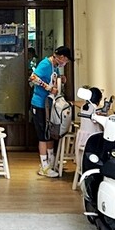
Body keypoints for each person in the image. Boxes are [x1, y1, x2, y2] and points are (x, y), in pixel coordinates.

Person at [29, 45, 72, 178]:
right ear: (62, 57)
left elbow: (53, 79)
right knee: (43, 135)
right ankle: (44, 166)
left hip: (49, 104)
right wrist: (48, 88)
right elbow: (33, 78)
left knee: (50, 133)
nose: (65, 63)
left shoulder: (55, 66)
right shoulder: (45, 64)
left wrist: (61, 79)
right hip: (39, 104)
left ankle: (51, 161)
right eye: (66, 60)